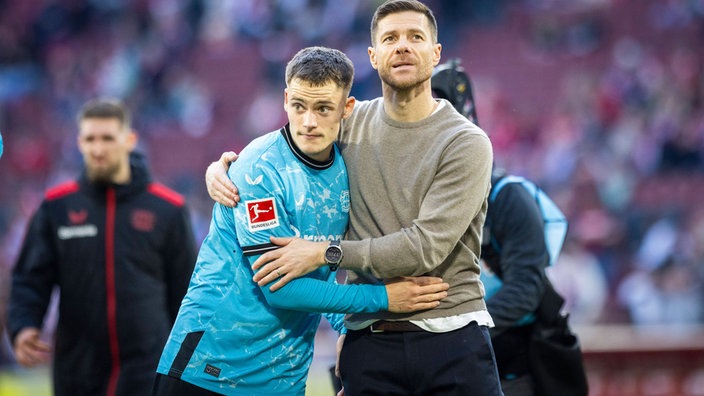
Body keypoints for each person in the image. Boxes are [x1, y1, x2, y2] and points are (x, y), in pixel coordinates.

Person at [205, 1, 502, 395]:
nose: (402, 47)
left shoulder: (466, 142)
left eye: (415, 37)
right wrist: (224, 167)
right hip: (370, 340)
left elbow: (424, 248)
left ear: (436, 53)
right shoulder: (347, 121)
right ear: (372, 56)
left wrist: (325, 252)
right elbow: (283, 147)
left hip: (451, 333)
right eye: (390, 38)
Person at [152, 46, 450, 396]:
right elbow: (281, 288)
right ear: (285, 100)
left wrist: (347, 328)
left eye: (323, 108)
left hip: (283, 379)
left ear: (346, 108)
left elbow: (324, 269)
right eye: (299, 106)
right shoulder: (259, 169)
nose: (309, 121)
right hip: (209, 370)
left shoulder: (349, 167)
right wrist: (383, 298)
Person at [7, 98, 198, 396]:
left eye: (107, 138)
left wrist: (186, 363)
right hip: (76, 369)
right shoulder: (56, 207)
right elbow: (31, 278)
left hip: (147, 369)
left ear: (129, 140)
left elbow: (187, 293)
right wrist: (24, 325)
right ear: (79, 143)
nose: (98, 149)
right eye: (90, 139)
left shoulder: (168, 209)